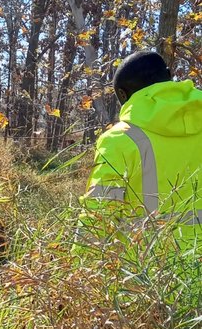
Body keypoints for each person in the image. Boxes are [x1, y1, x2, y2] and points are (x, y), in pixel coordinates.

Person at [78, 48, 202, 255]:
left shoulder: (118, 140)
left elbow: (98, 217)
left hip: (147, 276)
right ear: (169, 76)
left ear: (122, 95)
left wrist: (76, 275)